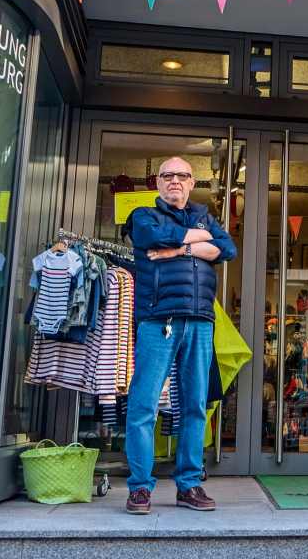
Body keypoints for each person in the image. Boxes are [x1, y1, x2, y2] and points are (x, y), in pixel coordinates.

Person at [124, 156, 236, 514]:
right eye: (167, 175)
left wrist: (180, 249)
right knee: (143, 405)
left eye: (182, 176)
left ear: (191, 183)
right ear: (158, 182)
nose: (175, 180)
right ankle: (140, 488)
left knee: (195, 406)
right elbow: (153, 237)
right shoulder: (143, 215)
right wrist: (201, 241)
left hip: (200, 320)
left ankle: (189, 485)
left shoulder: (205, 216)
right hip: (158, 319)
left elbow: (228, 248)